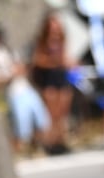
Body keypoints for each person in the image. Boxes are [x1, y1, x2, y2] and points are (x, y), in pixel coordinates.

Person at [0, 23, 50, 155]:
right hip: (12, 94)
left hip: (25, 88)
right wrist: (9, 77)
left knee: (41, 120)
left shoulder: (9, 51)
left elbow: (21, 68)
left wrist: (17, 72)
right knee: (21, 128)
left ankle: (37, 149)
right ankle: (16, 153)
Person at [30, 12, 73, 154]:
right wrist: (53, 62)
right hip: (48, 79)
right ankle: (49, 143)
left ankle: (60, 141)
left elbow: (66, 58)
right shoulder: (42, 42)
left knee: (62, 112)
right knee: (51, 113)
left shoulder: (61, 40)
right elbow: (37, 60)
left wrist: (66, 62)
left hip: (61, 77)